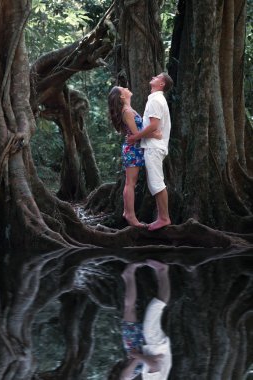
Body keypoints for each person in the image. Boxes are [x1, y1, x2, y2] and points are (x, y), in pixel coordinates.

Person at [108, 86, 161, 228]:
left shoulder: (129, 110)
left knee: (131, 182)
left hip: (135, 149)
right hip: (133, 149)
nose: (126, 88)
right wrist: (155, 134)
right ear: (121, 97)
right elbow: (136, 134)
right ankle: (129, 214)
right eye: (123, 89)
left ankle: (128, 212)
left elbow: (137, 133)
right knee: (130, 183)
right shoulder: (126, 112)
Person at [109, 260, 172, 380]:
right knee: (154, 308)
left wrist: (139, 357)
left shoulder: (127, 377)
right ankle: (162, 271)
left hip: (141, 350)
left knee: (129, 310)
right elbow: (155, 365)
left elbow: (150, 363)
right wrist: (138, 356)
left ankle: (129, 274)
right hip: (153, 345)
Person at [127, 73, 173, 231]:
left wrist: (135, 137)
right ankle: (163, 217)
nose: (153, 76)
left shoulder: (155, 99)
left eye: (158, 77)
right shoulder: (156, 99)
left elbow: (154, 125)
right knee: (155, 183)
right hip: (154, 145)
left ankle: (164, 218)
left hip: (154, 147)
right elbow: (153, 126)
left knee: (156, 183)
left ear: (162, 84)